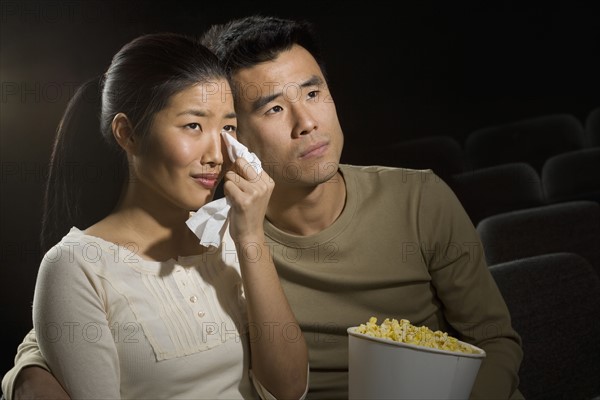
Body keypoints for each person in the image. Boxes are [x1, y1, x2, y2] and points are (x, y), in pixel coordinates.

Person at [3, 16, 523, 400]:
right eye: (273, 108)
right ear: (239, 138)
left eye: (315, 93)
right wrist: (26, 376)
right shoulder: (220, 228)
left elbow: (496, 341)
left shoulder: (419, 199)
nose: (307, 122)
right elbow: (77, 305)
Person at [1, 32, 308, 400]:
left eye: (228, 128)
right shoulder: (76, 267)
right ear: (128, 134)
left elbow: (290, 390)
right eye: (193, 126)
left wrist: (250, 238)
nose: (216, 154)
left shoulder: (229, 235)